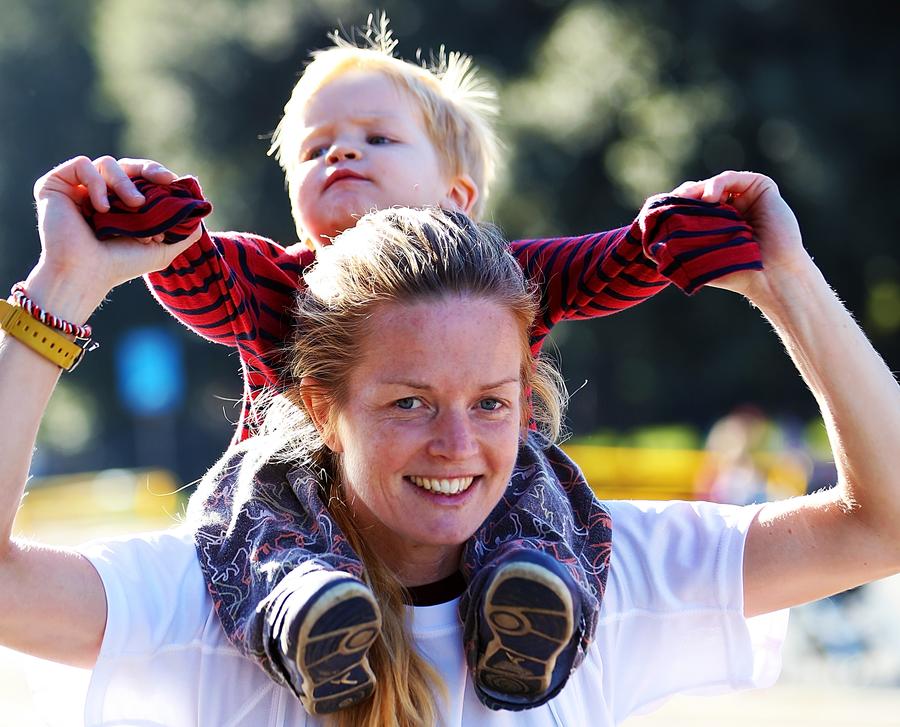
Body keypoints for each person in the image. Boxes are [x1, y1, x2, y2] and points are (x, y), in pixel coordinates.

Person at [2, 161, 899, 727]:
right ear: (321, 405)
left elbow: (882, 526)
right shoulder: (209, 595)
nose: (457, 444)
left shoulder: (602, 576)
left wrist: (788, 282)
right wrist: (63, 284)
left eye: (492, 403)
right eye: (409, 402)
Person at [81, 19, 763, 714]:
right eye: (316, 149)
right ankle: (306, 613)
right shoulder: (280, 277)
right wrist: (159, 226)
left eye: (378, 138)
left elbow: (601, 267)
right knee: (249, 488)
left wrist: (663, 240)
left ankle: (528, 597)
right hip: (304, 511)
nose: (343, 151)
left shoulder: (495, 280)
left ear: (458, 198)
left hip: (471, 506)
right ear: (294, 196)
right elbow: (200, 278)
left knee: (535, 469)